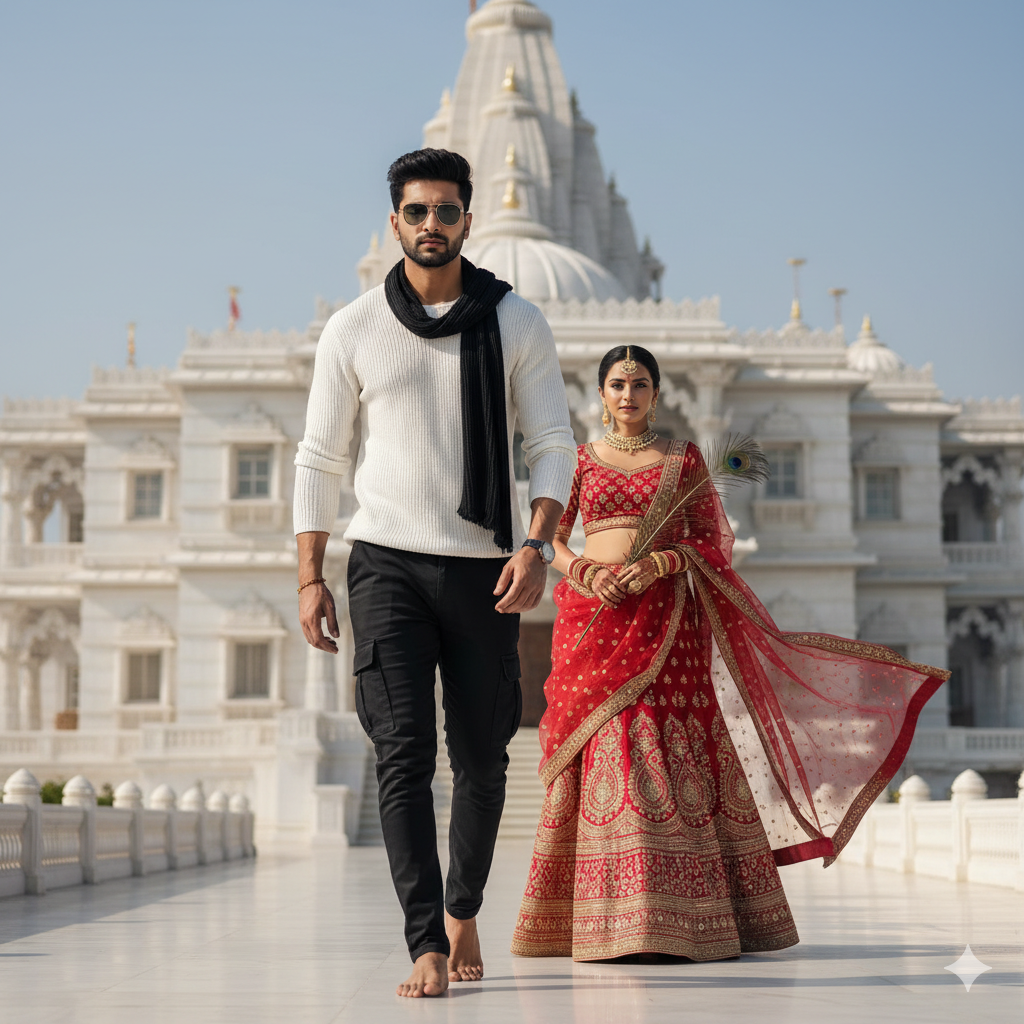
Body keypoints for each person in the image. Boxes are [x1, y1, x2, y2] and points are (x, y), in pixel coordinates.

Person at [511, 344, 947, 962]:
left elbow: (713, 544)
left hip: (667, 615)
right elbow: (548, 538)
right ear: (600, 395)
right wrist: (585, 572)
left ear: (656, 394)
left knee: (663, 739)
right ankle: (606, 921)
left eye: (639, 383)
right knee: (607, 740)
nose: (628, 394)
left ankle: (679, 919)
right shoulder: (578, 461)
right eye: (617, 384)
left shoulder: (683, 459)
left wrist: (662, 561)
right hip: (595, 617)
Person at [293, 148, 575, 996]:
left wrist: (535, 547)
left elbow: (551, 444)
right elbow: (319, 456)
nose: (429, 226)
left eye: (445, 212)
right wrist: (311, 575)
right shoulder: (352, 328)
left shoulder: (515, 322)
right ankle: (425, 940)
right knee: (402, 754)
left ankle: (463, 904)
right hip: (384, 564)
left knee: (484, 758)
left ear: (466, 219)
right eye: (415, 213)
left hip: (488, 567)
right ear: (395, 223)